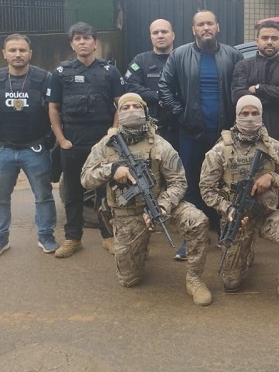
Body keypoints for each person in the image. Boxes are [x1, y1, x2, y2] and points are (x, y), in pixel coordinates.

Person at [80, 93, 212, 306]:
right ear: (118, 114)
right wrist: (111, 170)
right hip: (127, 214)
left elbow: (179, 182)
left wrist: (163, 205)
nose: (131, 110)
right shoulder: (106, 145)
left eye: (136, 106)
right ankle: (140, 248)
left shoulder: (160, 144)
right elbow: (85, 179)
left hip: (160, 207)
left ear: (145, 111)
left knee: (197, 221)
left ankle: (194, 279)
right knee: (129, 280)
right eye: (125, 107)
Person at [200, 95, 279, 306]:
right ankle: (245, 252)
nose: (250, 118)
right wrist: (228, 209)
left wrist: (272, 178)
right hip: (237, 218)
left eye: (255, 113)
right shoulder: (220, 150)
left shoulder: (275, 148)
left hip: (268, 214)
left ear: (261, 115)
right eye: (245, 113)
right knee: (231, 282)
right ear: (237, 116)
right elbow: (206, 189)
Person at [158, 10, 243, 259]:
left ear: (218, 27)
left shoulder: (233, 55)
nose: (206, 27)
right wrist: (180, 113)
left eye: (210, 23)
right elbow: (164, 87)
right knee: (192, 185)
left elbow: (241, 89)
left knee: (225, 184)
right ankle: (194, 237)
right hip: (191, 133)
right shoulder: (179, 55)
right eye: (200, 24)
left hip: (224, 135)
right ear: (193, 29)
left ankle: (226, 234)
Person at [0, 34, 58, 257]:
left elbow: (56, 106)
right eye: (12, 50)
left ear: (30, 53)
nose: (17, 54)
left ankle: (46, 235)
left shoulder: (44, 78)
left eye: (22, 50)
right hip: (2, 149)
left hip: (35, 148)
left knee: (44, 195)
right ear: (4, 54)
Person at [48, 22, 125, 258]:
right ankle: (73, 238)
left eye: (87, 38)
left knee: (106, 193)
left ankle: (108, 237)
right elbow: (53, 108)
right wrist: (61, 139)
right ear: (72, 44)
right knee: (72, 193)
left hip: (103, 145)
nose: (82, 42)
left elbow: (120, 104)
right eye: (77, 39)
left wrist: (113, 133)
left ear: (95, 43)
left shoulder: (110, 72)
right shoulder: (60, 74)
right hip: (72, 143)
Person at [231, 20, 279, 219]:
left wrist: (259, 89)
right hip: (249, 142)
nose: (269, 42)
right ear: (256, 40)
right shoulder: (243, 67)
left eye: (274, 38)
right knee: (248, 188)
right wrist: (276, 95)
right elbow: (237, 96)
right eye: (265, 38)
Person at [123, 19, 179, 151]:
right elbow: (131, 87)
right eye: (155, 33)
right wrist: (158, 96)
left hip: (179, 126)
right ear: (151, 37)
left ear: (173, 35)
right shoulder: (140, 60)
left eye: (164, 32)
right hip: (148, 128)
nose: (160, 35)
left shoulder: (183, 58)